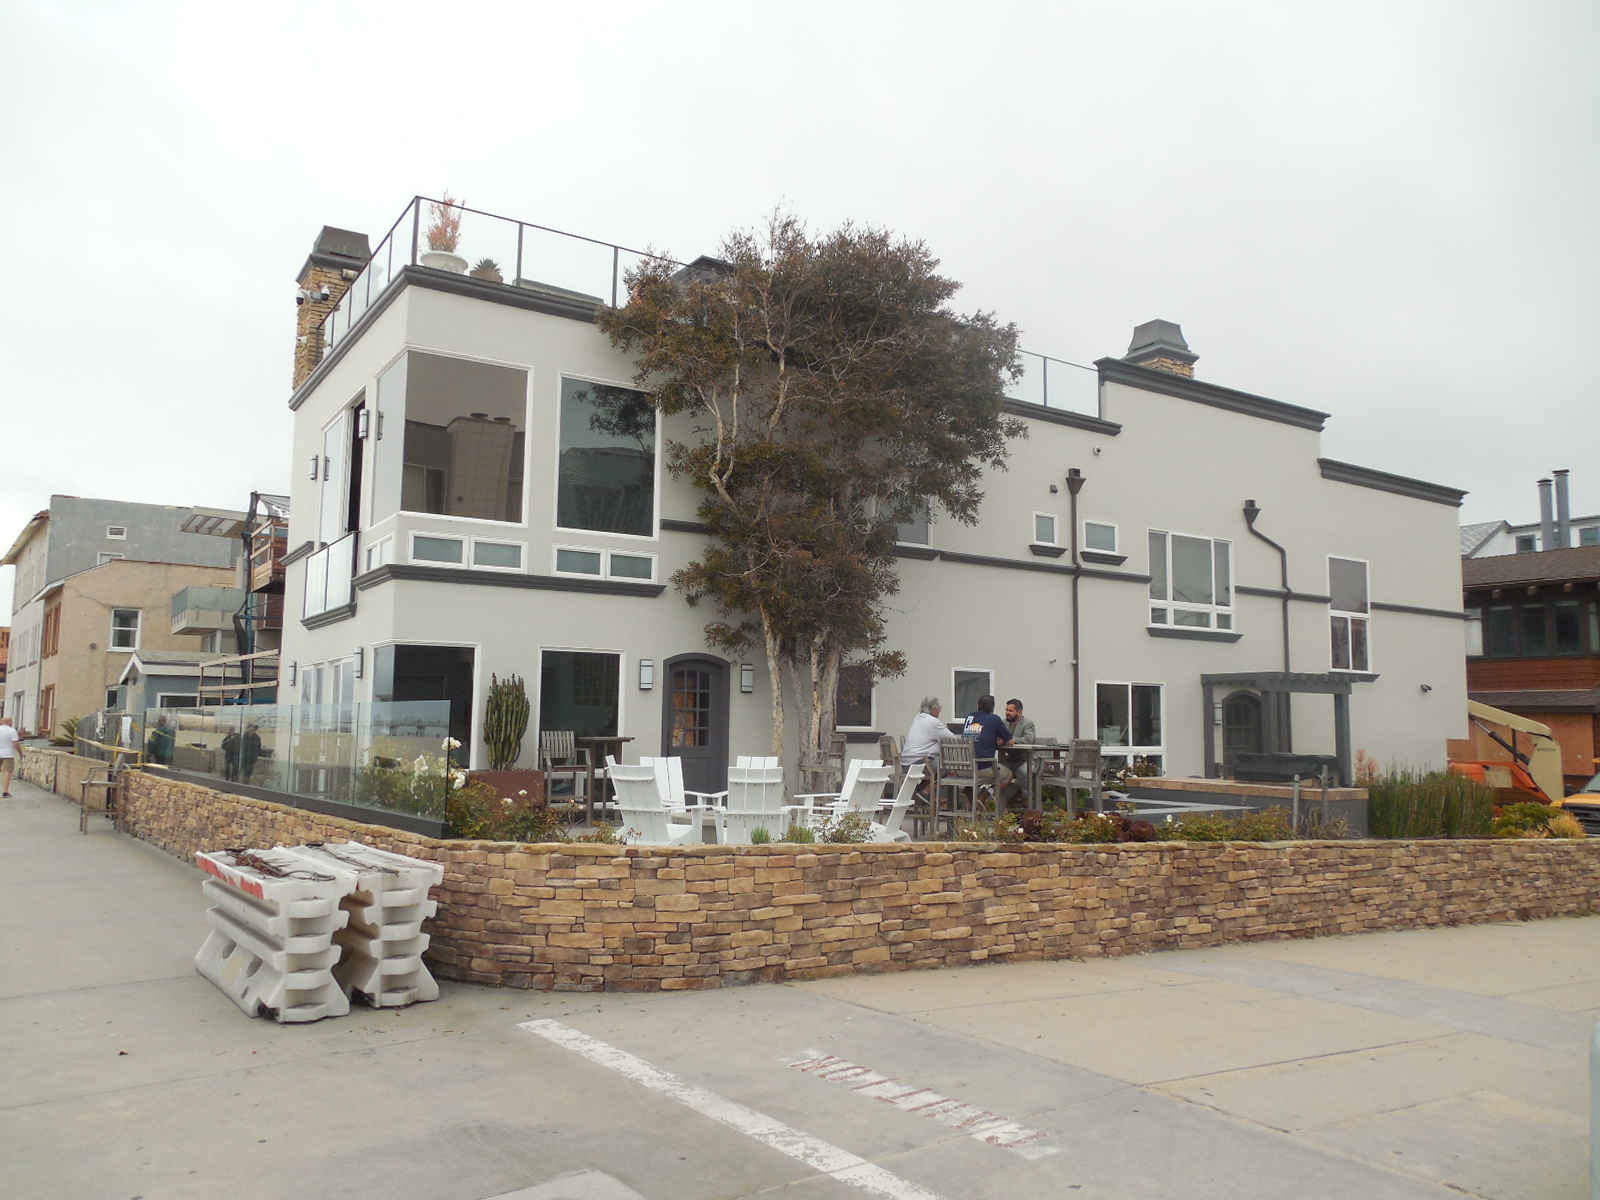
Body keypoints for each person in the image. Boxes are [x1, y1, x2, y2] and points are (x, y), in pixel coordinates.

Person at [902, 697, 959, 797]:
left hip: (906, 763)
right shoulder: (934, 722)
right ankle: (926, 793)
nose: (940, 711)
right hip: (921, 763)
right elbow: (952, 739)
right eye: (939, 708)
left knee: (937, 769)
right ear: (934, 710)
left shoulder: (917, 719)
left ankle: (918, 793)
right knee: (950, 769)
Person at [962, 695, 1013, 800]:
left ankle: (968, 794)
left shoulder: (970, 717)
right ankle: (984, 796)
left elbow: (979, 737)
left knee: (978, 774)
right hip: (981, 768)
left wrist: (993, 740)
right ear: (992, 708)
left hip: (963, 767)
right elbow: (1010, 741)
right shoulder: (994, 719)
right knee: (1008, 775)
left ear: (977, 706)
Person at [999, 698, 1037, 807]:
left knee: (1024, 772)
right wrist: (999, 739)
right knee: (997, 770)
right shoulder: (1004, 723)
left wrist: (1012, 740)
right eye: (1006, 710)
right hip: (1010, 759)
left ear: (1019, 712)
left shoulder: (1028, 723)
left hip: (1026, 760)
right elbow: (998, 734)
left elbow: (1029, 739)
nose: (1007, 713)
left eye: (1010, 711)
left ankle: (1027, 798)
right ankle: (1001, 800)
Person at [0, 716, 23, 797]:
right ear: (8, 722)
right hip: (8, 754)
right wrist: (20, 753)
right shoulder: (12, 731)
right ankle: (5, 792)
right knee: (7, 772)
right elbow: (15, 743)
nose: (12, 723)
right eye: (11, 721)